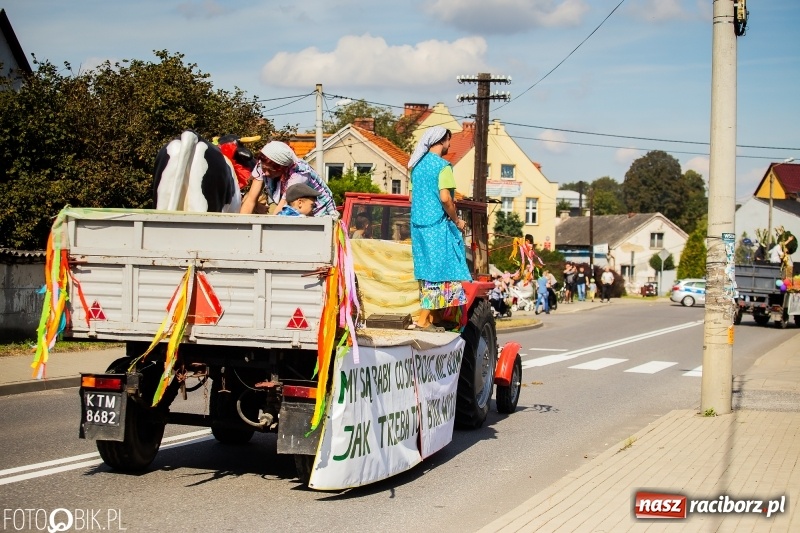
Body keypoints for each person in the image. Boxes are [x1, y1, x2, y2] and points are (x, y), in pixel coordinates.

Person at [407, 126, 470, 331]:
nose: (449, 145)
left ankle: (434, 318)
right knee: (440, 272)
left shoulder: (416, 166)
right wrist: (457, 221)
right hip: (436, 225)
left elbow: (411, 198)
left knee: (427, 271)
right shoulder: (443, 166)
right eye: (449, 141)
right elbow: (446, 198)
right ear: (443, 140)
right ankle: (423, 320)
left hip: (418, 226)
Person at [242, 141, 337, 217]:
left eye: (271, 170)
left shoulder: (299, 173)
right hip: (297, 209)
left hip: (318, 211)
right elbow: (251, 200)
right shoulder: (263, 164)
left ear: (282, 168)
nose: (266, 173)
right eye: (264, 169)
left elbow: (282, 208)